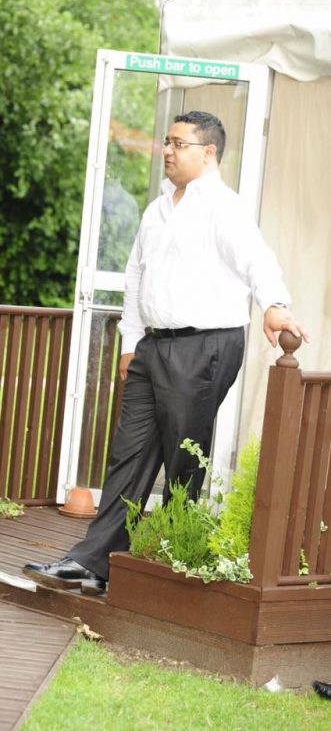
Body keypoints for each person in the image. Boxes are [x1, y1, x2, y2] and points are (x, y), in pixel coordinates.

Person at [23, 110, 309, 596]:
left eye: (179, 143)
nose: (168, 151)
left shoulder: (223, 206)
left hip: (206, 345)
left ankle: (172, 566)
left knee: (182, 458)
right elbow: (137, 275)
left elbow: (257, 259)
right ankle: (92, 564)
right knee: (128, 456)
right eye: (167, 141)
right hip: (154, 346)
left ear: (209, 152)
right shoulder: (157, 209)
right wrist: (132, 342)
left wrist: (276, 306)